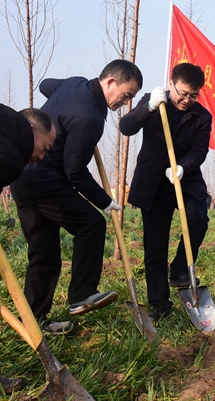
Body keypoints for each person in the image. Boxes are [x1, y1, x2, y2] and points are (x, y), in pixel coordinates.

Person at [10, 60, 142, 328]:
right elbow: (75, 172)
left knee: (43, 253)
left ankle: (34, 322)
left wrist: (62, 105)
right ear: (110, 82)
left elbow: (47, 86)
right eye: (126, 95)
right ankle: (82, 295)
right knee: (91, 225)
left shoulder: (75, 83)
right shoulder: (91, 118)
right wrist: (106, 203)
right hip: (44, 180)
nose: (125, 102)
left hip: (21, 176)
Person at [120, 63, 211, 321]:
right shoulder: (154, 101)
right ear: (171, 84)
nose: (186, 100)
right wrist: (148, 107)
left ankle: (181, 268)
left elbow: (200, 150)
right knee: (155, 244)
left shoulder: (202, 117)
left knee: (199, 218)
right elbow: (126, 127)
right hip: (153, 183)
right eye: (182, 93)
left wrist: (184, 167)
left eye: (193, 96)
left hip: (185, 179)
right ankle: (159, 301)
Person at [0, 104, 56, 394]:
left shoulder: (8, 118)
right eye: (45, 147)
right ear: (32, 129)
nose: (43, 156)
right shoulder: (10, 158)